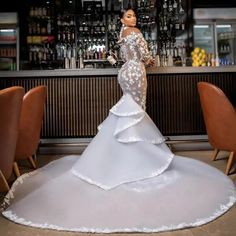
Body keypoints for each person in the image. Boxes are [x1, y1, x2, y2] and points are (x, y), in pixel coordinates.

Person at [1, 8, 235, 233]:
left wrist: (123, 63)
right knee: (137, 112)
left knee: (129, 112)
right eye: (129, 15)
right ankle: (139, 159)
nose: (133, 18)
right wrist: (150, 61)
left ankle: (121, 155)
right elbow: (144, 56)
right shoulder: (136, 33)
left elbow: (112, 57)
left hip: (123, 71)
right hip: (135, 72)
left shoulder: (121, 34)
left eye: (134, 15)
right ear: (124, 19)